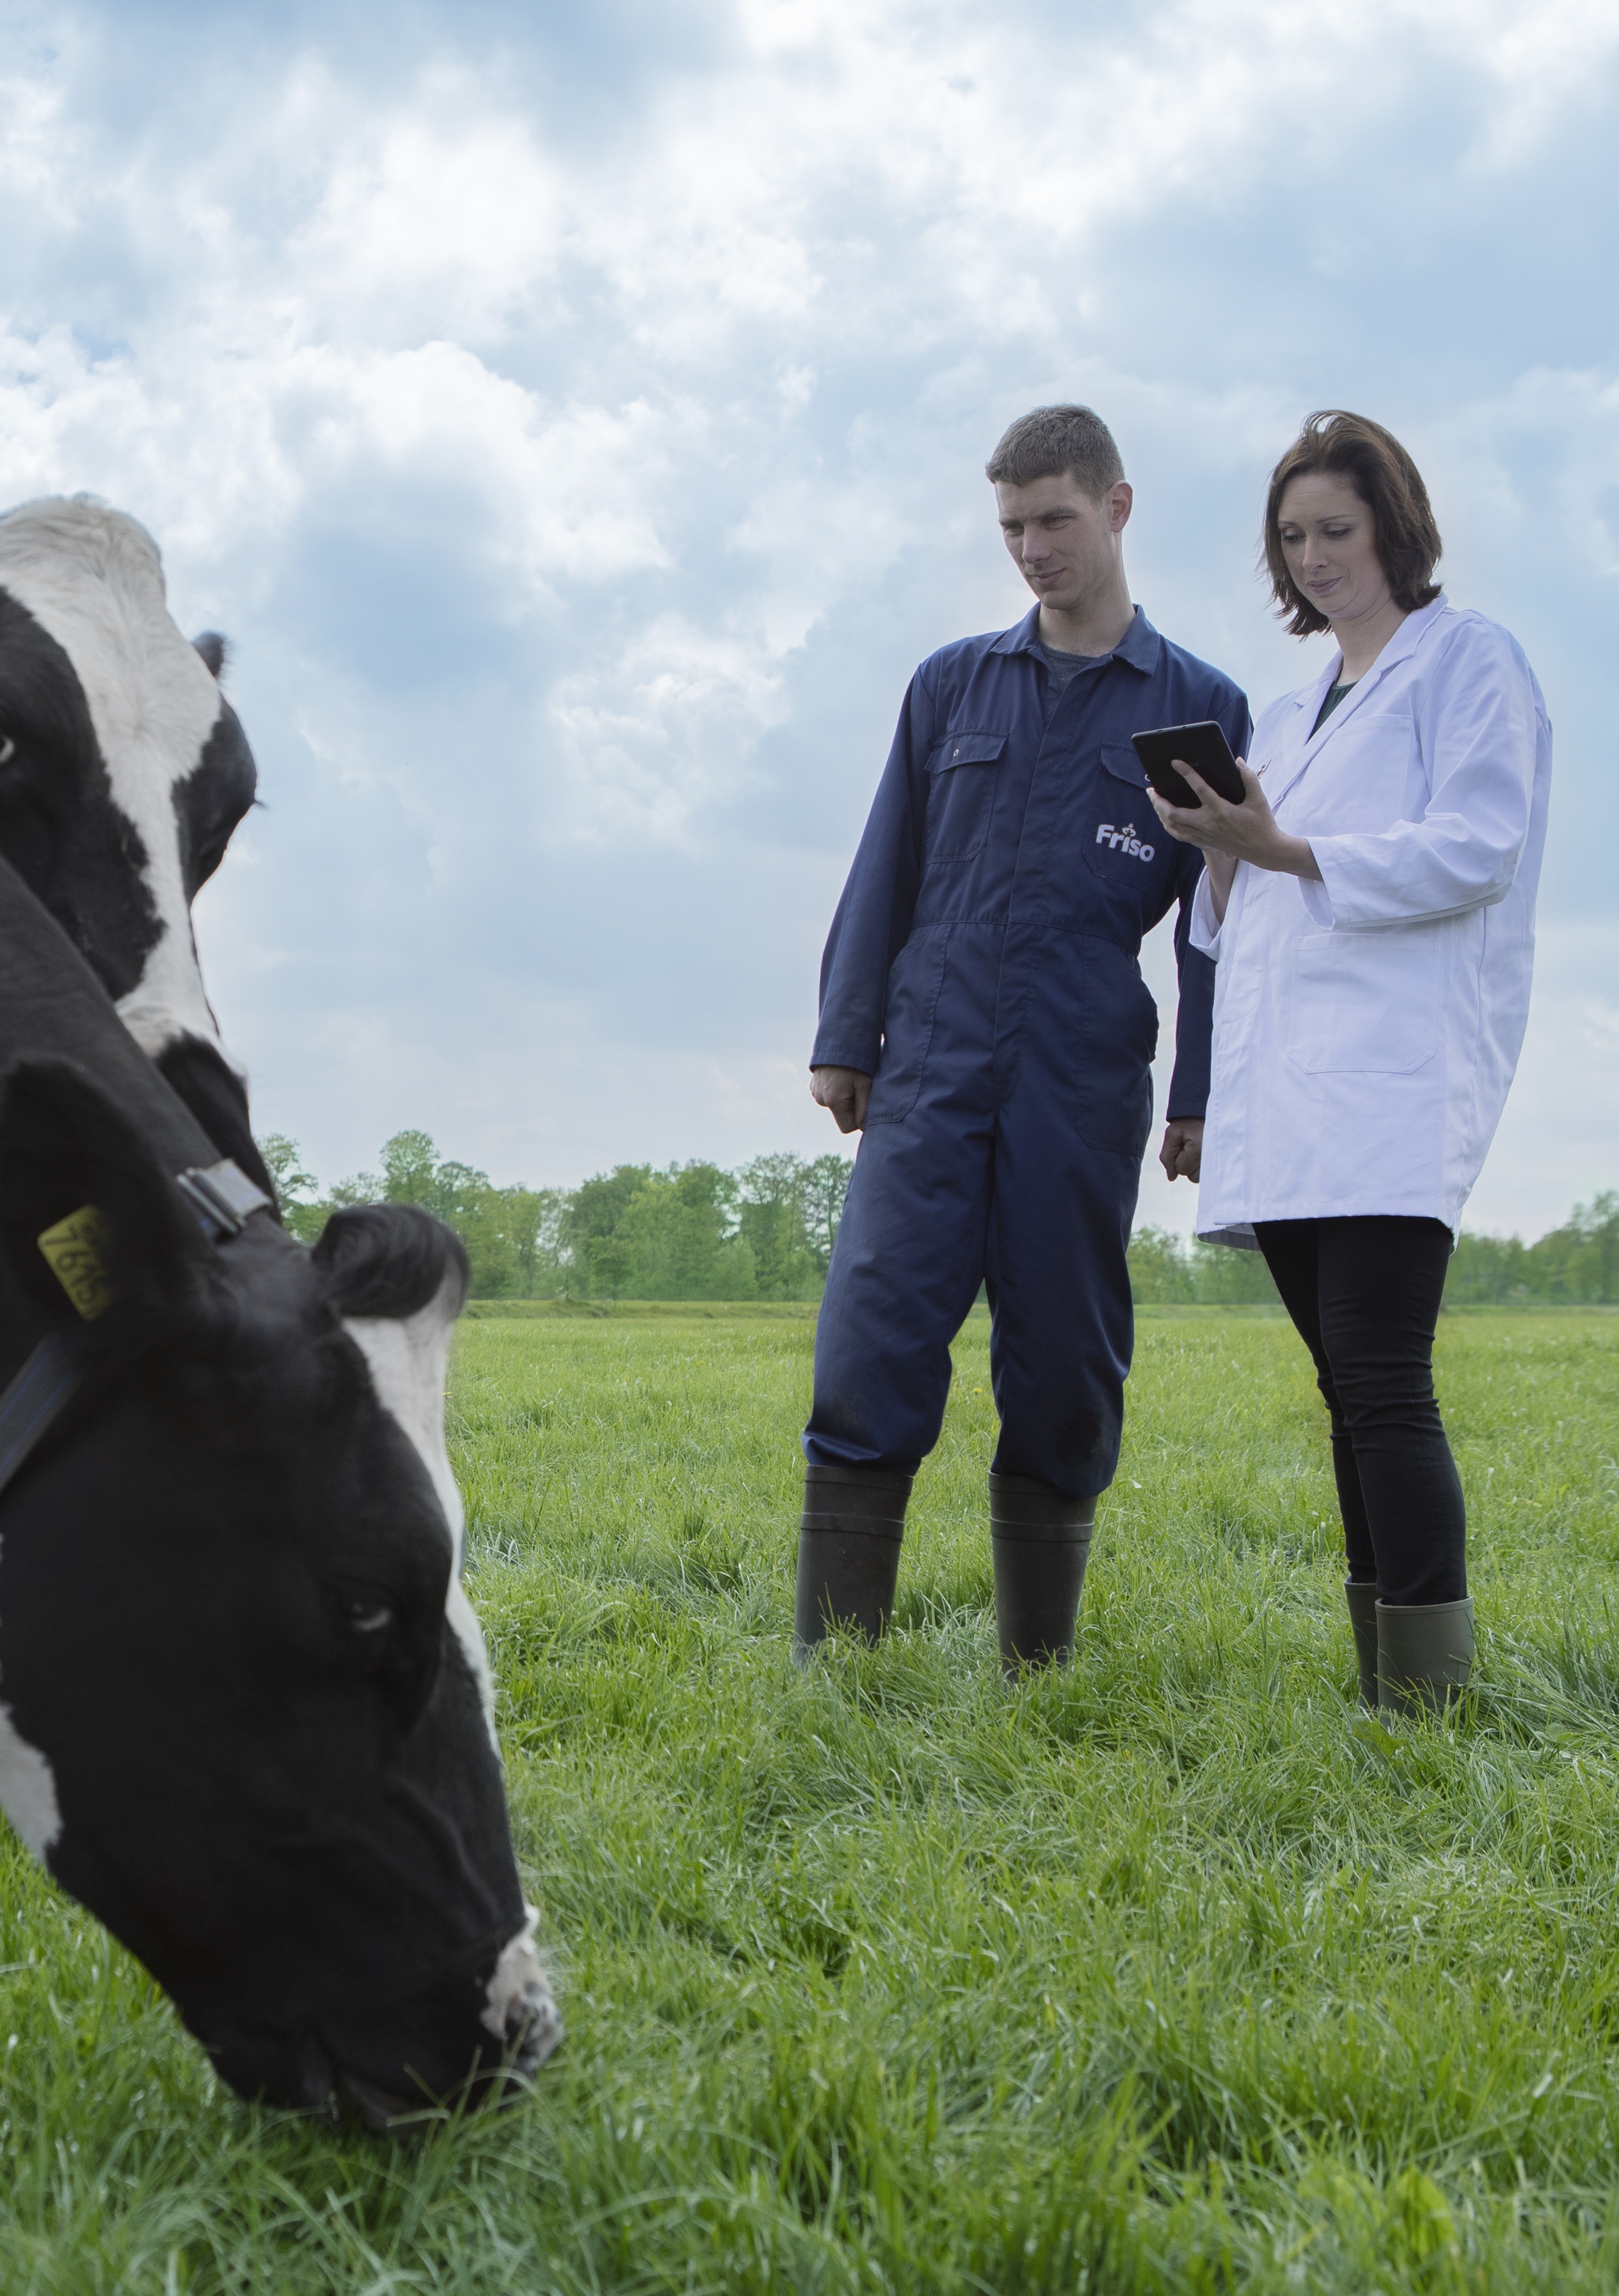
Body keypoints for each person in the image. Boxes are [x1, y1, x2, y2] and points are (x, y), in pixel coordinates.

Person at [801, 404, 1250, 1673]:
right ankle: (834, 1664)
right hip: (931, 1056)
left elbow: (1217, 924)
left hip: (1080, 1064)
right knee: (871, 1334)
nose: (1032, 549)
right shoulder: (950, 684)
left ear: (1116, 507)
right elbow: (885, 861)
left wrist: (1200, 1094)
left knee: (1062, 1355)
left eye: (1053, 519)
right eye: (1010, 527)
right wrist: (846, 1033)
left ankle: (1034, 1668)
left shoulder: (1197, 705)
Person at [1147, 409, 1551, 1715]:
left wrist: (1281, 849)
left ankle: (1425, 1697)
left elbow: (1476, 847)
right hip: (1286, 1091)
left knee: (1381, 1380)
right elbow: (1234, 922)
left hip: (1391, 1079)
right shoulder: (1286, 706)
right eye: (1291, 538)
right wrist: (1221, 851)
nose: (1314, 558)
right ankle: (1389, 1675)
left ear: (1393, 527)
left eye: (1335, 530)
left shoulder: (1466, 661)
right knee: (1344, 1389)